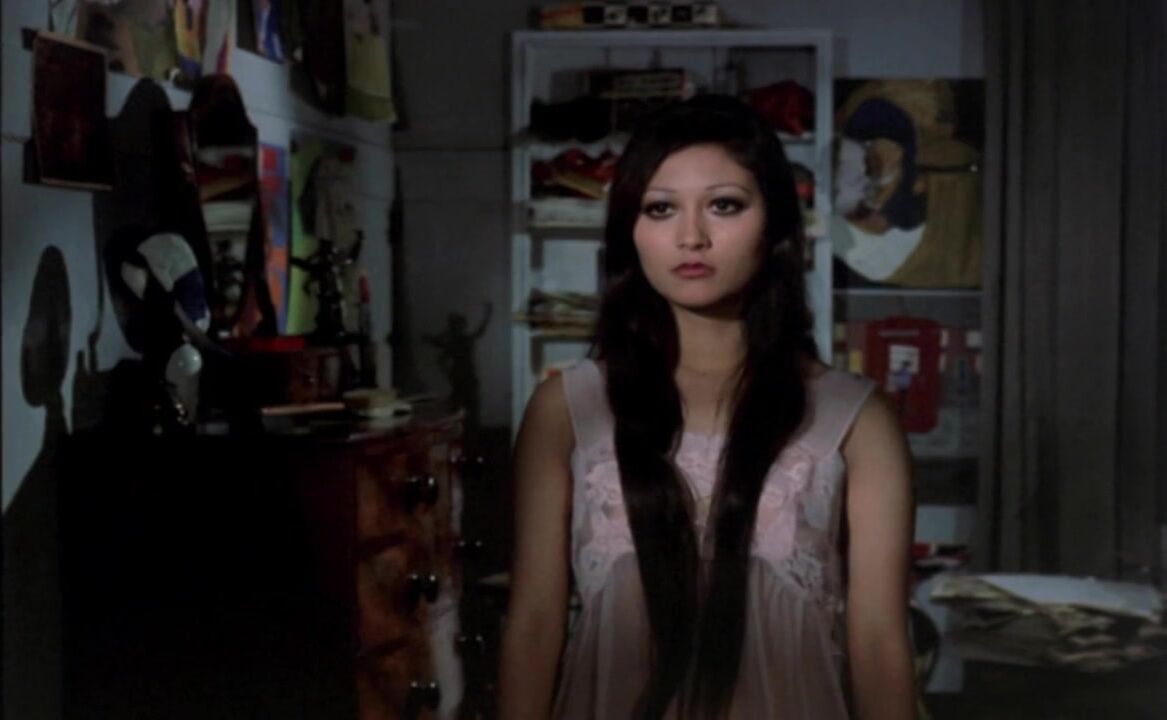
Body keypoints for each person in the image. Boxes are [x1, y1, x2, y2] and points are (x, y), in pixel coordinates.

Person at [499, 94, 916, 719]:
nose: (691, 237)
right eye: (660, 208)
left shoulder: (855, 420)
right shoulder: (566, 410)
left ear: (774, 224)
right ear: (630, 230)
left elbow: (880, 646)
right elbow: (534, 626)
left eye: (724, 205)